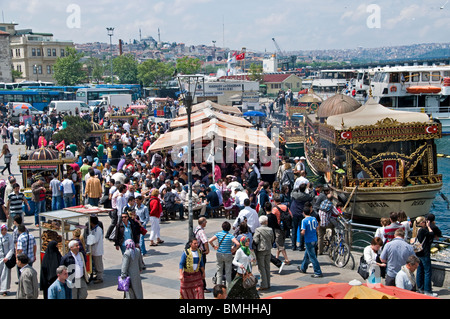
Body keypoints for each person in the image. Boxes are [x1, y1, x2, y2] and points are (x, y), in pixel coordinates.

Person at [208, 221, 240, 287]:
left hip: (219, 253)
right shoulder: (230, 236)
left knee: (219, 271)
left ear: (222, 227)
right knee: (228, 272)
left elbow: (210, 240)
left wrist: (214, 246)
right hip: (228, 254)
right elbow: (238, 244)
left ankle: (219, 288)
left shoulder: (218, 234)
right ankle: (228, 288)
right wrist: (234, 249)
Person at [412, 215, 438, 297]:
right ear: (422, 223)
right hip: (424, 253)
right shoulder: (423, 230)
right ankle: (428, 291)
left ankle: (420, 288)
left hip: (418, 253)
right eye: (425, 221)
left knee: (420, 271)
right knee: (427, 272)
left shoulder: (418, 230)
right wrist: (429, 227)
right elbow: (431, 233)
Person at [298, 206, 323, 278]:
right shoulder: (314, 218)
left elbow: (303, 231)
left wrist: (301, 234)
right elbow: (317, 227)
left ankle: (318, 272)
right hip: (314, 238)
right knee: (307, 254)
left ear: (303, 213)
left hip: (308, 239)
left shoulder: (304, 221)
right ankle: (303, 268)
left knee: (312, 257)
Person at [253, 215, 274, 291]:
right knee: (267, 266)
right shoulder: (270, 229)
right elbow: (272, 239)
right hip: (268, 248)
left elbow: (256, 240)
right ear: (266, 222)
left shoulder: (258, 230)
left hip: (261, 249)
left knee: (262, 268)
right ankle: (268, 283)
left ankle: (264, 284)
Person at [271, 194, 292, 265]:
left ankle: (286, 259)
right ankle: (277, 257)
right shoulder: (285, 207)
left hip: (278, 228)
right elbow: (291, 216)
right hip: (285, 227)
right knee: (281, 243)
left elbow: (272, 217)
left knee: (279, 244)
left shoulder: (275, 209)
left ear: (274, 201)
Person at [194, 217, 211, 293]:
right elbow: (205, 241)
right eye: (205, 221)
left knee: (198, 268)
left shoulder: (197, 228)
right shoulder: (201, 231)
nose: (206, 222)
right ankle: (202, 287)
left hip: (196, 251)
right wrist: (207, 250)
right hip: (201, 252)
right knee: (202, 269)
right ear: (203, 223)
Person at [89, 216, 104, 284]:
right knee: (95, 264)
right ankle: (97, 276)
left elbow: (95, 240)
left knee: (98, 265)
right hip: (94, 250)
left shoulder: (98, 230)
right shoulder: (93, 229)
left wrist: (89, 241)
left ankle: (100, 277)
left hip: (97, 250)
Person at [0, 224, 14, 296]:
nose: (4, 231)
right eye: (2, 230)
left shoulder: (9, 237)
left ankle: (4, 290)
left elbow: (11, 248)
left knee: (5, 274)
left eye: (5, 230)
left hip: (6, 258)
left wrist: (7, 257)